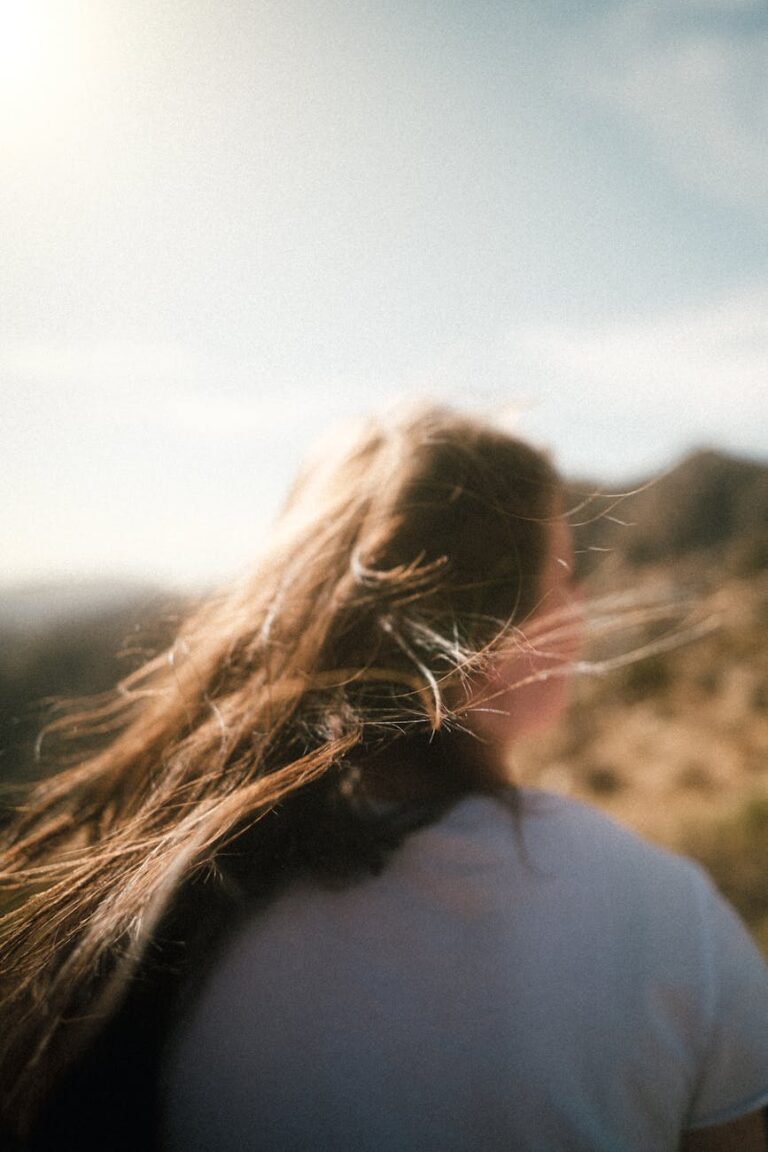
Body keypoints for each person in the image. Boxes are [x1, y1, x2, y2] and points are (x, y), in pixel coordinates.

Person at [1, 404, 767, 1151]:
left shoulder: (151, 911)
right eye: (562, 575)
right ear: (488, 632)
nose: (581, 604)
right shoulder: (672, 928)